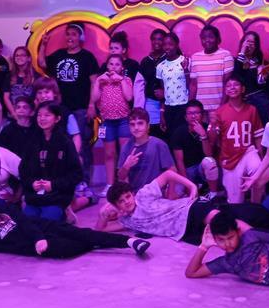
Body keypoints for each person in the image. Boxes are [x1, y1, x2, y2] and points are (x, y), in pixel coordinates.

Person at [0, 186, 151, 258]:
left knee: (80, 233)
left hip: (40, 229)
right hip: (32, 247)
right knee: (68, 249)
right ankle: (98, 241)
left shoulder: (1, 207)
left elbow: (23, 221)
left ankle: (130, 242)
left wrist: (38, 238)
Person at [96, 171, 269, 244]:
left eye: (127, 196)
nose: (127, 202)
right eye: (121, 201)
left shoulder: (144, 195)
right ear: (117, 206)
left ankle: (262, 240)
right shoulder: (128, 221)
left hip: (189, 209)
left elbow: (168, 175)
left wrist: (192, 186)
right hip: (184, 231)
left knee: (222, 222)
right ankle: (259, 235)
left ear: (132, 194)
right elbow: (100, 230)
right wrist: (103, 215)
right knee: (219, 236)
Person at [39, 22, 99, 196]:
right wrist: (43, 44)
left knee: (82, 145)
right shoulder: (58, 55)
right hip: (60, 109)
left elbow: (94, 82)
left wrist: (91, 104)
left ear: (80, 37)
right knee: (61, 145)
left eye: (73, 34)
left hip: (80, 108)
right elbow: (42, 63)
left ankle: (84, 181)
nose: (70, 37)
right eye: (68, 34)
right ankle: (66, 181)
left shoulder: (87, 57)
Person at [19, 102, 82, 221]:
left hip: (57, 195)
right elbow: (23, 170)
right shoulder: (32, 140)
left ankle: (67, 210)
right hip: (34, 196)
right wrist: (32, 183)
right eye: (39, 115)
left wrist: (53, 185)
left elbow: (76, 174)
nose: (42, 118)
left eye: (47, 115)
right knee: (28, 223)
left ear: (57, 118)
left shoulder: (65, 142)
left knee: (46, 222)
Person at [207, 77, 264, 203]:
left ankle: (256, 207)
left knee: (258, 170)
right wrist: (213, 124)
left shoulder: (252, 109)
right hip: (230, 158)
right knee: (235, 201)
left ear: (243, 89)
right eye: (229, 86)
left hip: (248, 151)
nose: (232, 87)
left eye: (236, 84)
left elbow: (258, 136)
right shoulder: (219, 112)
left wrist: (262, 155)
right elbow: (212, 140)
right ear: (225, 91)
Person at [90, 54, 134, 196]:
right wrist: (97, 83)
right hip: (107, 122)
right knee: (109, 154)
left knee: (124, 153)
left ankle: (125, 183)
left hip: (123, 121)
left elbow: (129, 97)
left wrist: (121, 80)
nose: (114, 67)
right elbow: (94, 98)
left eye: (117, 64)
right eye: (111, 64)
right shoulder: (101, 81)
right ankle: (110, 184)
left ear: (122, 68)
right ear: (107, 66)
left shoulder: (126, 80)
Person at [169, 100, 219, 201]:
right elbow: (179, 161)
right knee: (176, 193)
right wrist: (187, 184)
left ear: (202, 115)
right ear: (185, 117)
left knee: (209, 162)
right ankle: (197, 189)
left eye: (197, 113)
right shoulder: (179, 132)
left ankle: (213, 194)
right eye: (190, 113)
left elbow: (209, 154)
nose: (193, 116)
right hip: (187, 170)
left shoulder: (208, 128)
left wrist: (203, 135)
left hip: (203, 169)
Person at [117, 108, 176, 193]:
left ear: (148, 126)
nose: (136, 128)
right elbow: (121, 178)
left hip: (156, 192)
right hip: (135, 194)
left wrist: (171, 192)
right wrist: (126, 167)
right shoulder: (126, 147)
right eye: (132, 124)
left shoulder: (159, 144)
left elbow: (172, 171)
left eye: (140, 123)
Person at [189, 25, 234, 114]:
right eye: (203, 38)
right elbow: (193, 85)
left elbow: (227, 84)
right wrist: (190, 105)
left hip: (219, 106)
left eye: (211, 37)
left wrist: (222, 106)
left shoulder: (226, 55)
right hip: (200, 109)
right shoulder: (195, 57)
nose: (207, 40)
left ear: (218, 39)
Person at [156, 32, 190, 138]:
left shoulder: (186, 61)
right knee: (172, 138)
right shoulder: (160, 66)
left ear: (177, 45)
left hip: (184, 106)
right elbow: (163, 91)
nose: (167, 47)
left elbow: (191, 85)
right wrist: (162, 113)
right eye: (165, 44)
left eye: (170, 44)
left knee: (185, 137)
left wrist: (186, 70)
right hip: (169, 108)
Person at [136, 29, 168, 140]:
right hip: (151, 103)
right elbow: (139, 85)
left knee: (166, 133)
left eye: (160, 39)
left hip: (168, 103)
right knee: (153, 133)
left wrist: (165, 93)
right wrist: (138, 106)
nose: (156, 42)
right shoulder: (145, 61)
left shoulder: (169, 58)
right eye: (154, 39)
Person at [235, 31, 269, 123]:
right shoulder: (236, 61)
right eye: (247, 42)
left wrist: (262, 77)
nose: (249, 45)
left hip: (259, 100)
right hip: (242, 101)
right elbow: (236, 77)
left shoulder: (261, 62)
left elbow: (263, 86)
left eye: (252, 43)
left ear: (256, 46)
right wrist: (242, 52)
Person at [3, 46, 35, 117]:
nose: (19, 57)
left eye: (22, 55)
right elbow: (6, 97)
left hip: (30, 115)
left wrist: (31, 113)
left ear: (29, 58)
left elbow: (37, 98)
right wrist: (13, 113)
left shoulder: (35, 76)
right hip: (13, 114)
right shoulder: (9, 76)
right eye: (16, 55)